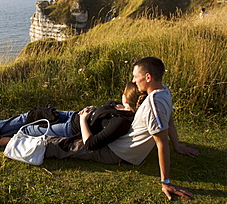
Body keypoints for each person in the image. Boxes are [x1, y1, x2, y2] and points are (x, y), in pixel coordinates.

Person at [45, 56, 199, 200]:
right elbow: (169, 121)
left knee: (58, 145)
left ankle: (27, 143)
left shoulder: (154, 106)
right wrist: (177, 146)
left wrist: (165, 181)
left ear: (148, 77)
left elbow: (162, 144)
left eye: (135, 76)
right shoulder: (164, 91)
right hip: (120, 144)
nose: (133, 80)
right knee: (68, 137)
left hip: (117, 152)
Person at [0, 82, 145, 149]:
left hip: (71, 129)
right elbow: (103, 113)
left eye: (124, 92)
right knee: (34, 114)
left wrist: (84, 119)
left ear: (129, 97)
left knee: (34, 129)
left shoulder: (120, 121)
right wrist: (93, 109)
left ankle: (3, 139)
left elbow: (91, 143)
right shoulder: (121, 107)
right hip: (73, 116)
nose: (121, 93)